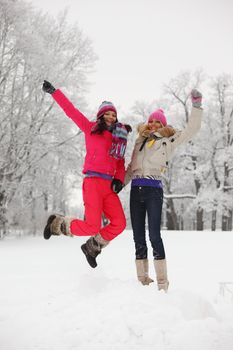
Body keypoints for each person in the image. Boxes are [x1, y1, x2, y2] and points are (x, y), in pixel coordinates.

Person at [42, 80, 131, 268]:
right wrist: (55, 92)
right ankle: (56, 224)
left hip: (109, 187)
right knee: (92, 226)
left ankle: (92, 247)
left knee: (120, 223)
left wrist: (119, 179)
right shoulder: (90, 129)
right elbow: (71, 111)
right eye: (107, 113)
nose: (110, 117)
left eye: (113, 114)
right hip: (93, 183)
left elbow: (121, 163)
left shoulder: (120, 138)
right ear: (101, 115)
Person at [124, 89, 203, 291]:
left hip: (153, 191)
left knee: (154, 236)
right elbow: (131, 168)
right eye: (151, 121)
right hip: (136, 190)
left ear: (163, 124)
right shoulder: (140, 140)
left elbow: (192, 129)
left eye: (158, 122)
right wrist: (117, 185)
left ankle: (162, 283)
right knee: (138, 237)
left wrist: (196, 105)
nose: (153, 125)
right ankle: (142, 280)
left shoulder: (169, 140)